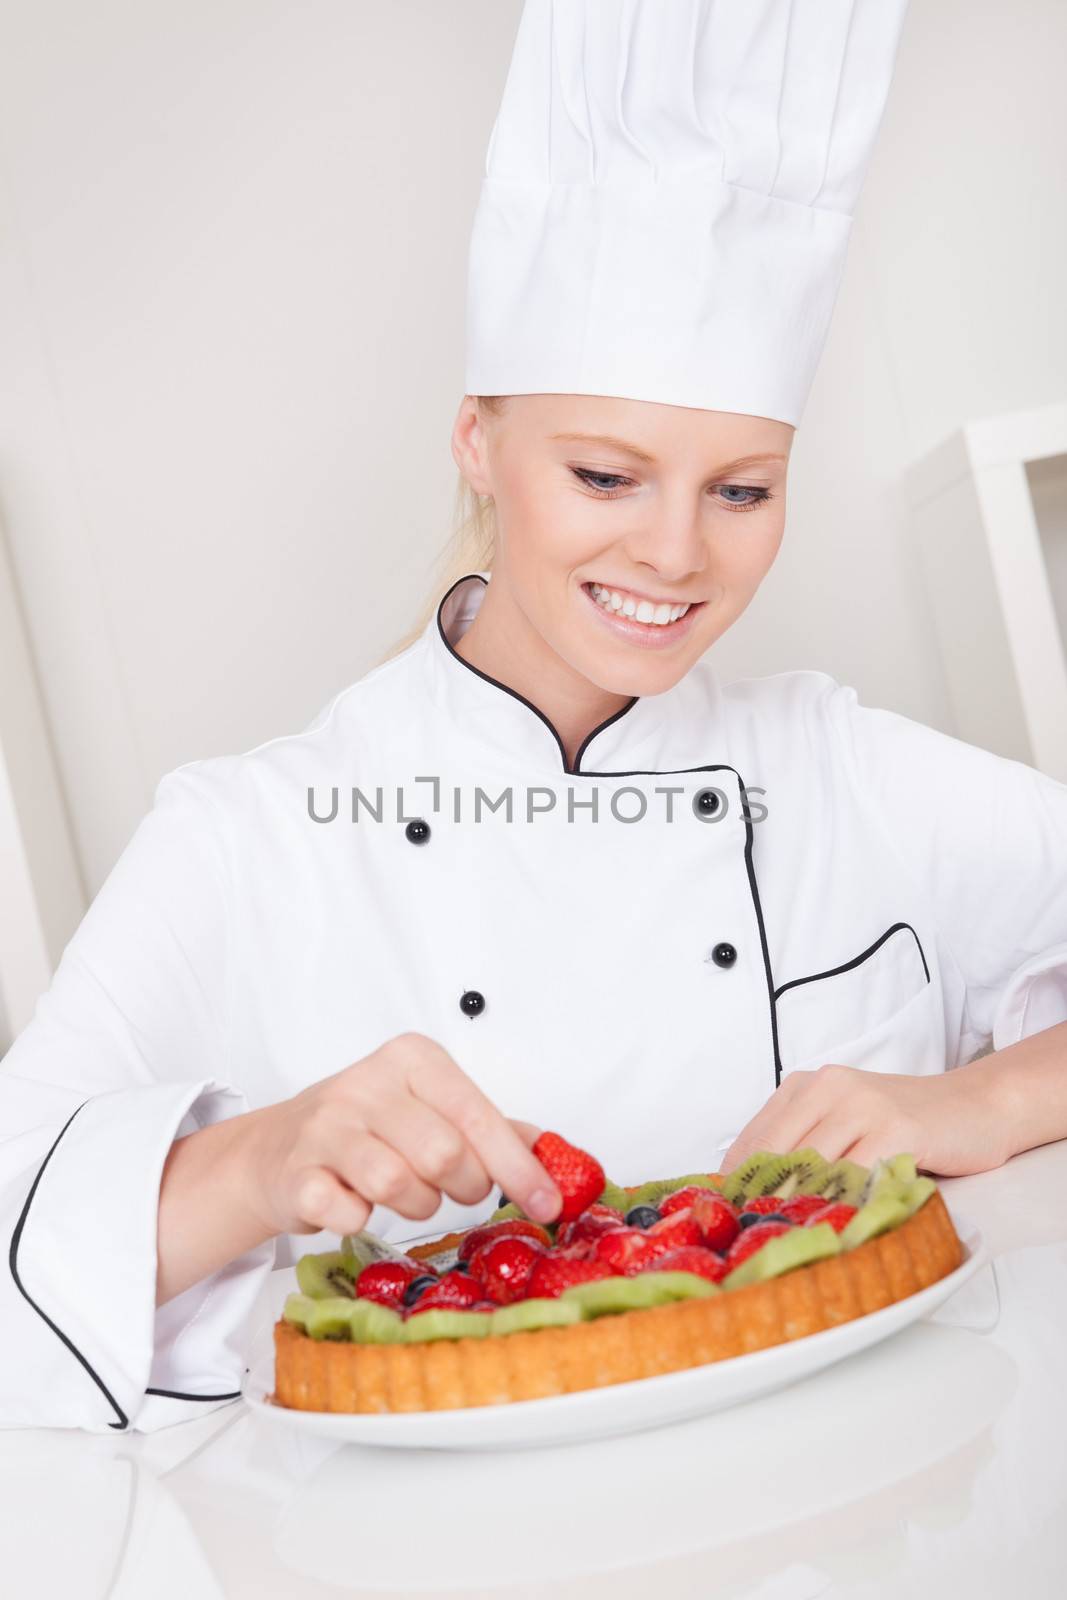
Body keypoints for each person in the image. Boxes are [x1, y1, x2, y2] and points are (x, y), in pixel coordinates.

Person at [2, 0, 1066, 1435]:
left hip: (883, 1502)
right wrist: (255, 1164)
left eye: (741, 490)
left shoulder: (840, 765)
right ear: (479, 447)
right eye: (607, 477)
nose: (678, 556)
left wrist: (977, 1107)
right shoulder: (251, 836)